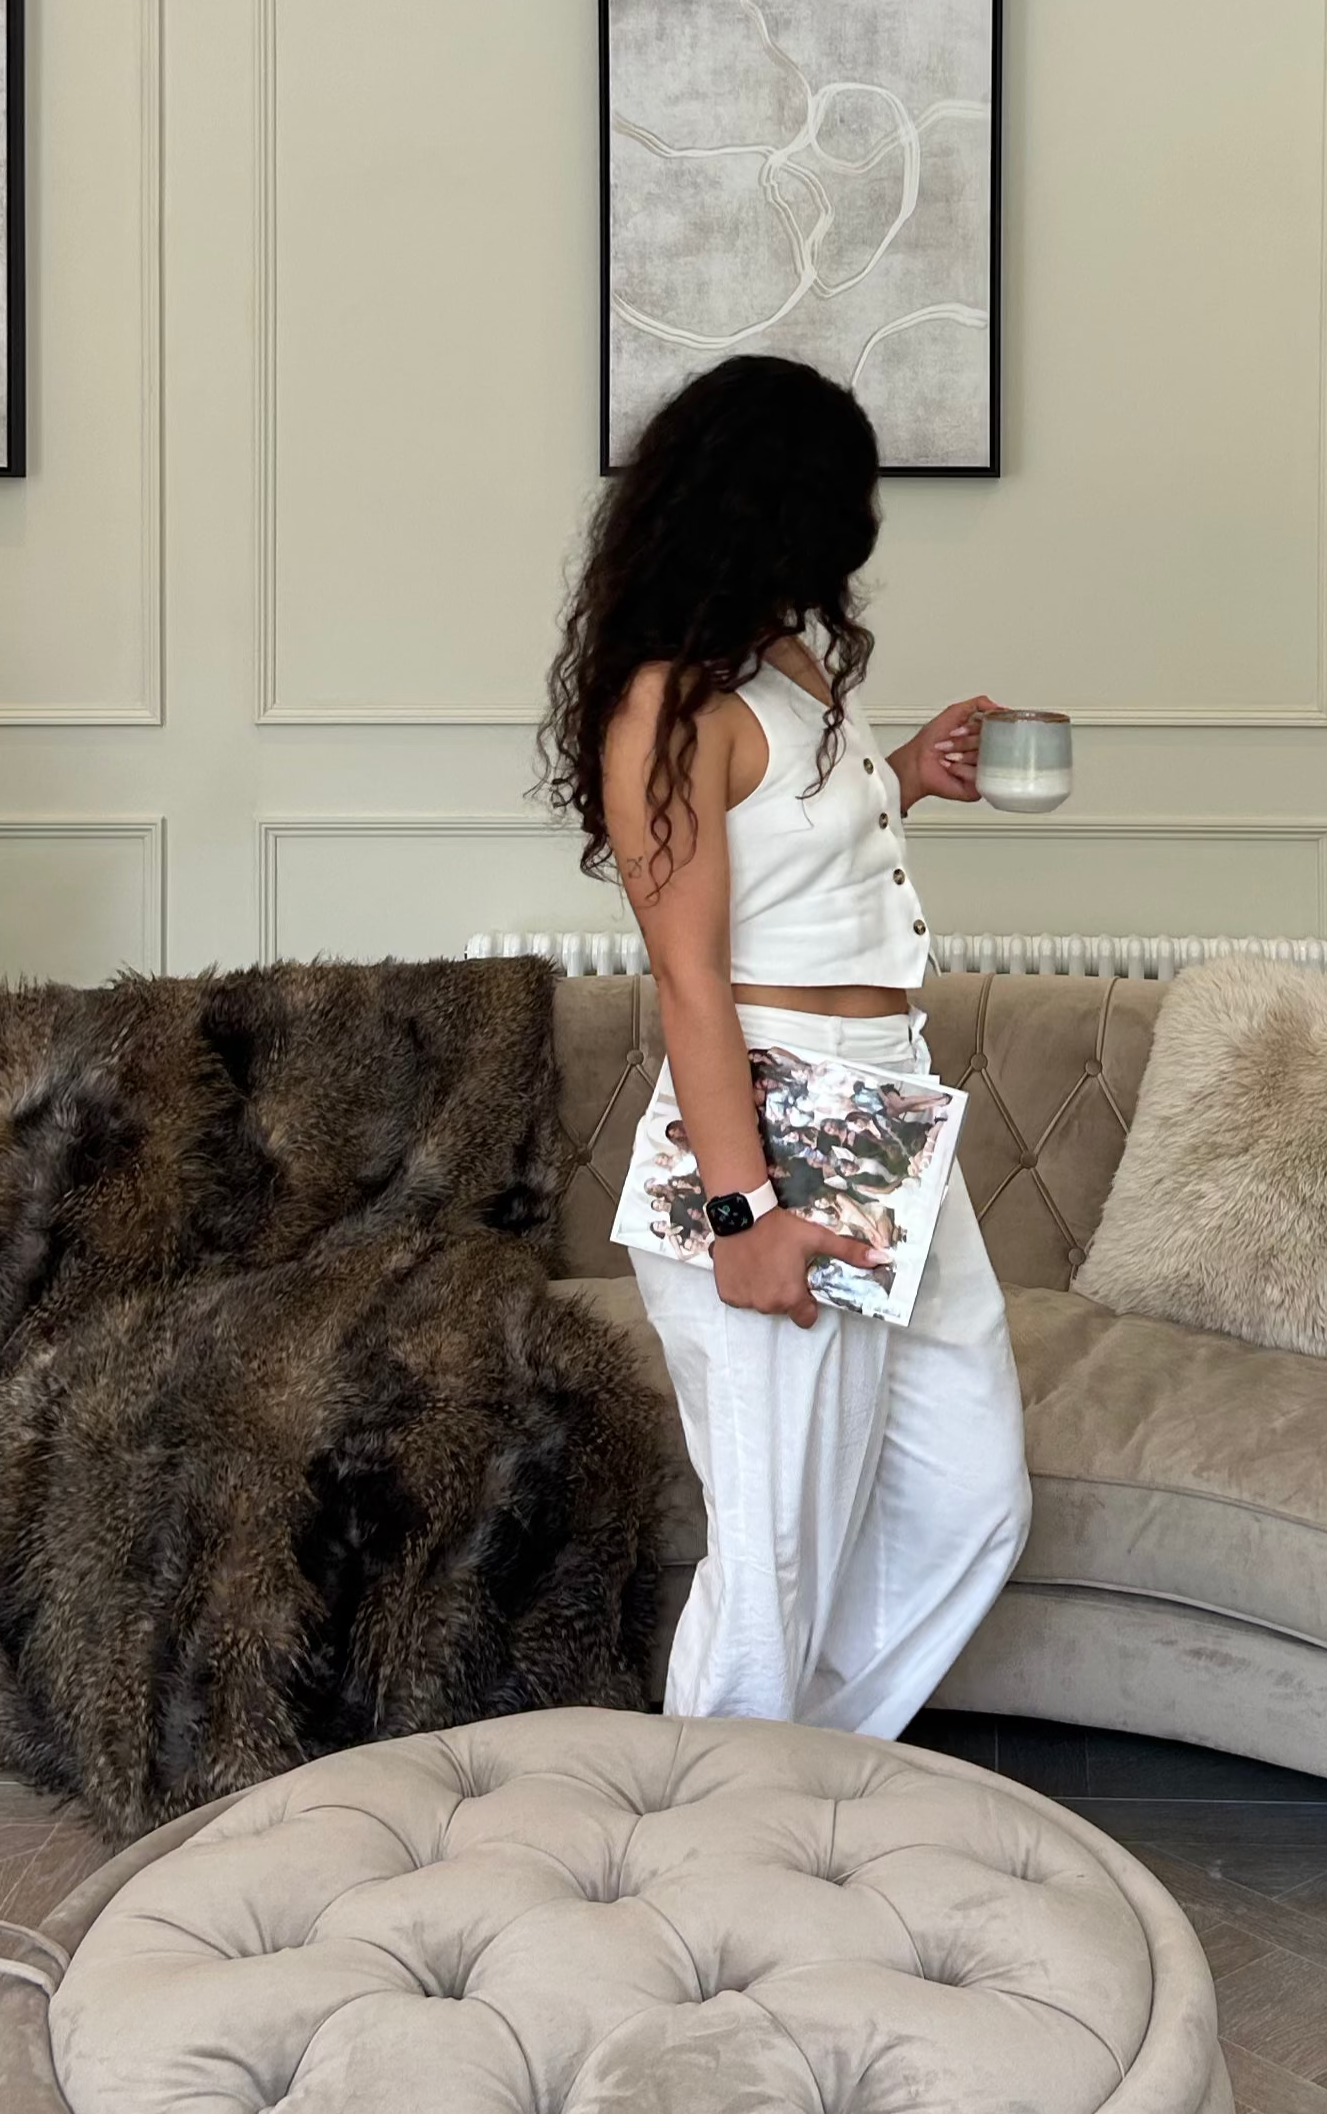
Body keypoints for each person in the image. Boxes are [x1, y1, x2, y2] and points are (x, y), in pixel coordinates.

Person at [541, 354, 1033, 1734]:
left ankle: (791, 1776)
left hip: (882, 1116)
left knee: (972, 1500)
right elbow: (691, 980)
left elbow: (795, 870)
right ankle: (707, 1824)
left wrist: (907, 775)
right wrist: (742, 1214)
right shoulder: (667, 704)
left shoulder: (789, 663)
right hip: (772, 1125)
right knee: (774, 1560)